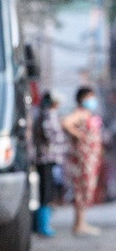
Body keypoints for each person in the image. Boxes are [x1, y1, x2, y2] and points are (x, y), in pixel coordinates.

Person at [62, 86, 104, 236]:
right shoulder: (80, 113)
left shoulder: (89, 114)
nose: (92, 100)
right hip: (82, 159)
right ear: (82, 99)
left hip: (91, 159)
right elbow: (66, 122)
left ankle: (81, 223)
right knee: (82, 189)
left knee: (86, 190)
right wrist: (79, 134)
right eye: (89, 97)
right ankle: (79, 224)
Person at [32, 92, 66, 236]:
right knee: (45, 192)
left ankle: (43, 223)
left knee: (49, 191)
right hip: (46, 158)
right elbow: (49, 135)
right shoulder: (47, 115)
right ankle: (42, 224)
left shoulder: (45, 114)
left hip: (50, 159)